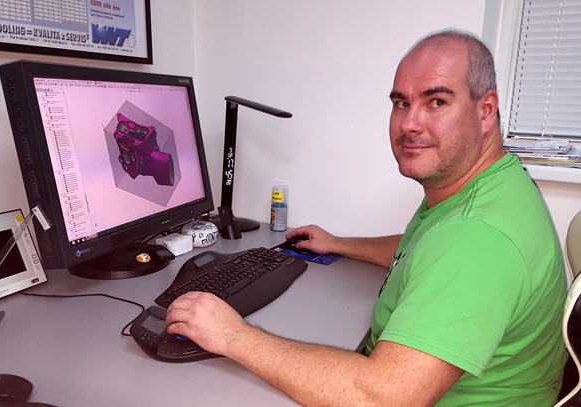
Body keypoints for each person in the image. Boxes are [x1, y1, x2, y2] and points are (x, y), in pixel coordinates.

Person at [166, 29, 567, 406]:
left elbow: (385, 397)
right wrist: (339, 244)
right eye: (401, 103)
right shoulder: (489, 188)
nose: (409, 123)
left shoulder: (475, 236)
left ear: (486, 110)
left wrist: (233, 335)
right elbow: (425, 250)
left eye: (436, 102)